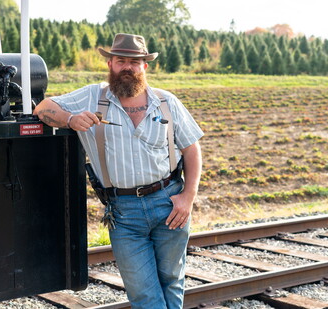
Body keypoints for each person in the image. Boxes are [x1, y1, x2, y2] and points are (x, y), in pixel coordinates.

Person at [33, 33, 203, 309]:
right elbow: (43, 108)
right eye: (121, 61)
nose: (128, 67)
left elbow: (192, 149)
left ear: (145, 66)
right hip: (124, 212)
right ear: (110, 64)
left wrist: (188, 197)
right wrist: (70, 119)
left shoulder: (166, 102)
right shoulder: (91, 96)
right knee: (143, 293)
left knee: (172, 280)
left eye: (134, 62)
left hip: (170, 203)